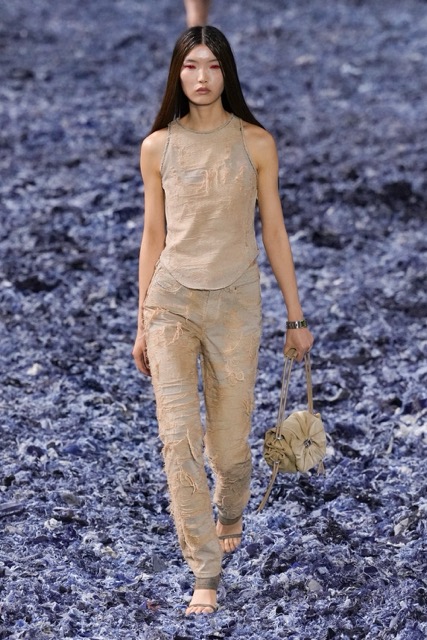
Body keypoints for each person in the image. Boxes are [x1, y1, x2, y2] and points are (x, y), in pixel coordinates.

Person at [132, 26, 314, 616]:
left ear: (226, 72)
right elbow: (153, 235)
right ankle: (204, 571)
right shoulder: (158, 147)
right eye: (191, 66)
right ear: (177, 74)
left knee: (231, 450)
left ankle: (231, 510)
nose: (202, 77)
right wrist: (142, 322)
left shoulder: (255, 143)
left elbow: (274, 229)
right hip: (171, 304)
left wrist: (296, 317)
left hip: (236, 303)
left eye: (212, 65)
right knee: (178, 438)